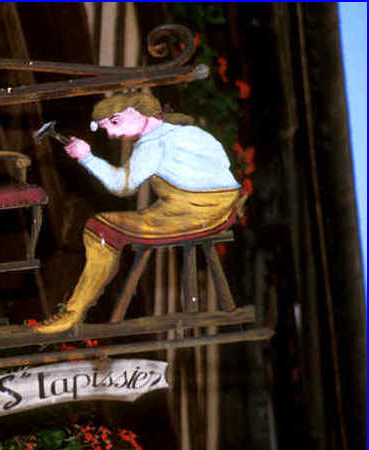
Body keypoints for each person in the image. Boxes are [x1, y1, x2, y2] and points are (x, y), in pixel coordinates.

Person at [34, 91, 243, 334]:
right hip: (223, 205)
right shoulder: (186, 131)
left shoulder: (152, 144)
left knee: (99, 228)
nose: (112, 134)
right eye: (106, 129)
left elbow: (121, 186)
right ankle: (73, 310)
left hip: (199, 212)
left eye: (115, 122)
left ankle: (72, 312)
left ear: (137, 112)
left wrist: (86, 158)